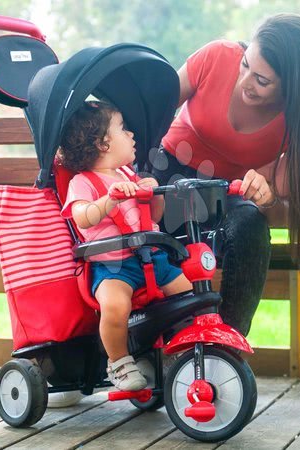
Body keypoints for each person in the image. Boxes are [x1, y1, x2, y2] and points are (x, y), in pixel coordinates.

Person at [150, 13, 300, 336]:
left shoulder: (298, 122)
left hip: (222, 196)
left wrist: (266, 189)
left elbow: (279, 185)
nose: (245, 82)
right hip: (165, 178)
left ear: (292, 88)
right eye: (245, 65)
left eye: (262, 81)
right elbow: (153, 111)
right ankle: (152, 342)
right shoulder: (216, 57)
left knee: (252, 226)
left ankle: (225, 346)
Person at [57, 101, 192, 391]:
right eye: (123, 129)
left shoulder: (130, 175)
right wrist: (110, 199)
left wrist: (153, 193)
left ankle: (186, 349)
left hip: (152, 257)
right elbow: (82, 217)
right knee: (115, 306)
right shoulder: (84, 182)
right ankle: (119, 362)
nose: (132, 135)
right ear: (103, 143)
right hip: (113, 266)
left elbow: (154, 217)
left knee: (187, 297)